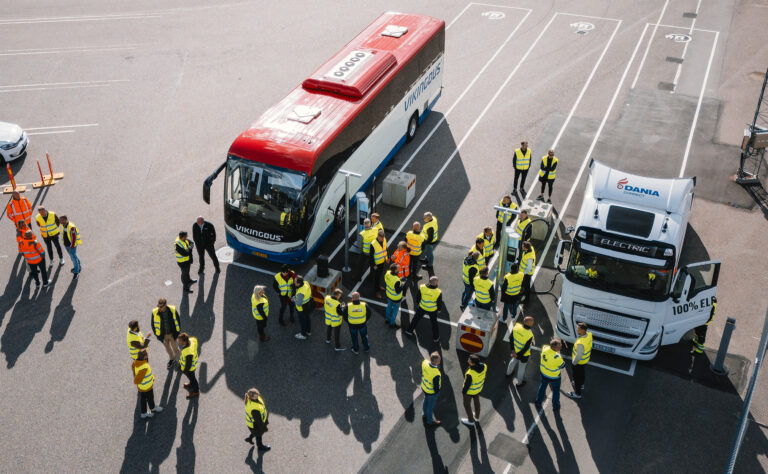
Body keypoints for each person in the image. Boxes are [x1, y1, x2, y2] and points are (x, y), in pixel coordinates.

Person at [405, 276, 443, 344]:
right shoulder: (438, 292)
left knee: (416, 319)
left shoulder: (422, 287)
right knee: (434, 323)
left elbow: (418, 298)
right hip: (432, 310)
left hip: (422, 307)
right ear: (436, 283)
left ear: (429, 281)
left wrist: (420, 303)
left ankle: (409, 331)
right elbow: (439, 303)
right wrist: (439, 309)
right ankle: (436, 338)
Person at [535, 339, 565, 412]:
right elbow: (563, 365)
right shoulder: (557, 357)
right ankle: (555, 406)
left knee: (542, 387)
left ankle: (538, 402)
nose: (561, 346)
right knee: (556, 391)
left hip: (544, 373)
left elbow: (545, 347)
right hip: (554, 377)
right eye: (559, 346)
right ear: (554, 348)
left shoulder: (545, 348)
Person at [132, 350, 163, 419]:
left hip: (142, 386)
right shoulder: (144, 367)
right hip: (147, 387)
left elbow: (134, 372)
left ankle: (144, 412)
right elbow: (137, 380)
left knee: (143, 399)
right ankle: (151, 408)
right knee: (150, 397)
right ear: (145, 356)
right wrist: (152, 378)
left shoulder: (135, 363)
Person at [152, 298, 181, 369]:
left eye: (161, 306)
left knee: (175, 349)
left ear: (165, 305)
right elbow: (153, 325)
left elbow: (178, 321)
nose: (159, 308)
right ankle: (172, 359)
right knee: (168, 349)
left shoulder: (172, 310)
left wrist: (177, 333)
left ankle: (180, 362)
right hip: (163, 336)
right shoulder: (155, 312)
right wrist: (157, 335)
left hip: (172, 334)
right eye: (158, 306)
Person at [566, 323, 592, 400]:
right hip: (584, 360)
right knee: (582, 373)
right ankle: (581, 385)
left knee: (576, 377)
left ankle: (577, 393)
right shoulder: (589, 334)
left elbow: (579, 355)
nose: (577, 329)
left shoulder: (580, 343)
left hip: (578, 362)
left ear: (583, 330)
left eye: (578, 328)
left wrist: (574, 363)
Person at [507, 316, 534, 387]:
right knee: (521, 368)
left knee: (513, 361)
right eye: (532, 322)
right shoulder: (530, 335)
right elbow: (526, 348)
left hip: (515, 351)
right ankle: (519, 383)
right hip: (523, 355)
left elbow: (511, 338)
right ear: (530, 324)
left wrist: (513, 350)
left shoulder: (516, 327)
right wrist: (518, 355)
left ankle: (508, 373)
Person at [461, 354, 487, 427]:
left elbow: (467, 385)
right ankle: (477, 417)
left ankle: (470, 420)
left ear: (473, 363)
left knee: (466, 404)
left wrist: (463, 392)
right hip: (478, 389)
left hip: (469, 392)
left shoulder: (470, 373)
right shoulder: (484, 366)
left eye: (469, 360)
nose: (467, 360)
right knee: (476, 402)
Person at [421, 352, 442, 427]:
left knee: (425, 400)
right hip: (431, 391)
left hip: (424, 387)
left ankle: (424, 414)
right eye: (439, 359)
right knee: (430, 406)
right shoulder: (436, 373)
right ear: (436, 362)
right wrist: (437, 393)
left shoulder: (425, 362)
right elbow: (436, 387)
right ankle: (430, 420)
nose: (440, 360)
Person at [177, 332, 200, 399]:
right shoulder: (192, 340)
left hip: (190, 369)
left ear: (184, 342)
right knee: (192, 378)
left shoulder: (188, 352)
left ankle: (196, 391)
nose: (178, 342)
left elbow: (188, 365)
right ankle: (191, 384)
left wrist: (184, 371)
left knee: (193, 378)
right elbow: (195, 341)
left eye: (180, 341)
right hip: (193, 365)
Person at [292, 276, 313, 340]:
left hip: (301, 309)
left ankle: (303, 334)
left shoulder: (300, 293)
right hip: (308, 305)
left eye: (295, 281)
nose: (294, 282)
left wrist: (293, 299)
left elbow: (298, 303)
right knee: (307, 318)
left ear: (299, 284)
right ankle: (308, 331)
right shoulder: (306, 283)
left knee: (302, 321)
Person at [384, 263, 405, 328]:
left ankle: (387, 320)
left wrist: (399, 280)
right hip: (396, 298)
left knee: (389, 307)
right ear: (395, 270)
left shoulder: (387, 273)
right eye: (398, 269)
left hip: (389, 295)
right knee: (395, 310)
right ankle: (392, 323)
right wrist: (402, 284)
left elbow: (389, 281)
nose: (399, 269)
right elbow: (398, 290)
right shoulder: (397, 280)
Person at [370, 229, 388, 299]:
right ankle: (377, 291)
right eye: (381, 238)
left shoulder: (384, 240)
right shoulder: (373, 244)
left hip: (382, 262)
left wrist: (387, 258)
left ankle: (378, 287)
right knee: (376, 278)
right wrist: (374, 265)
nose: (382, 240)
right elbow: (371, 256)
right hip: (376, 265)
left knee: (380, 275)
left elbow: (385, 249)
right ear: (378, 236)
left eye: (383, 238)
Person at [422, 212, 438, 277]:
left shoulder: (429, 227)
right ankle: (427, 259)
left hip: (429, 241)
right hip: (431, 240)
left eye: (424, 217)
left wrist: (425, 243)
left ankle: (429, 265)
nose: (423, 218)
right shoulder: (433, 219)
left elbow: (430, 238)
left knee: (429, 253)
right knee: (428, 252)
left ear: (428, 218)